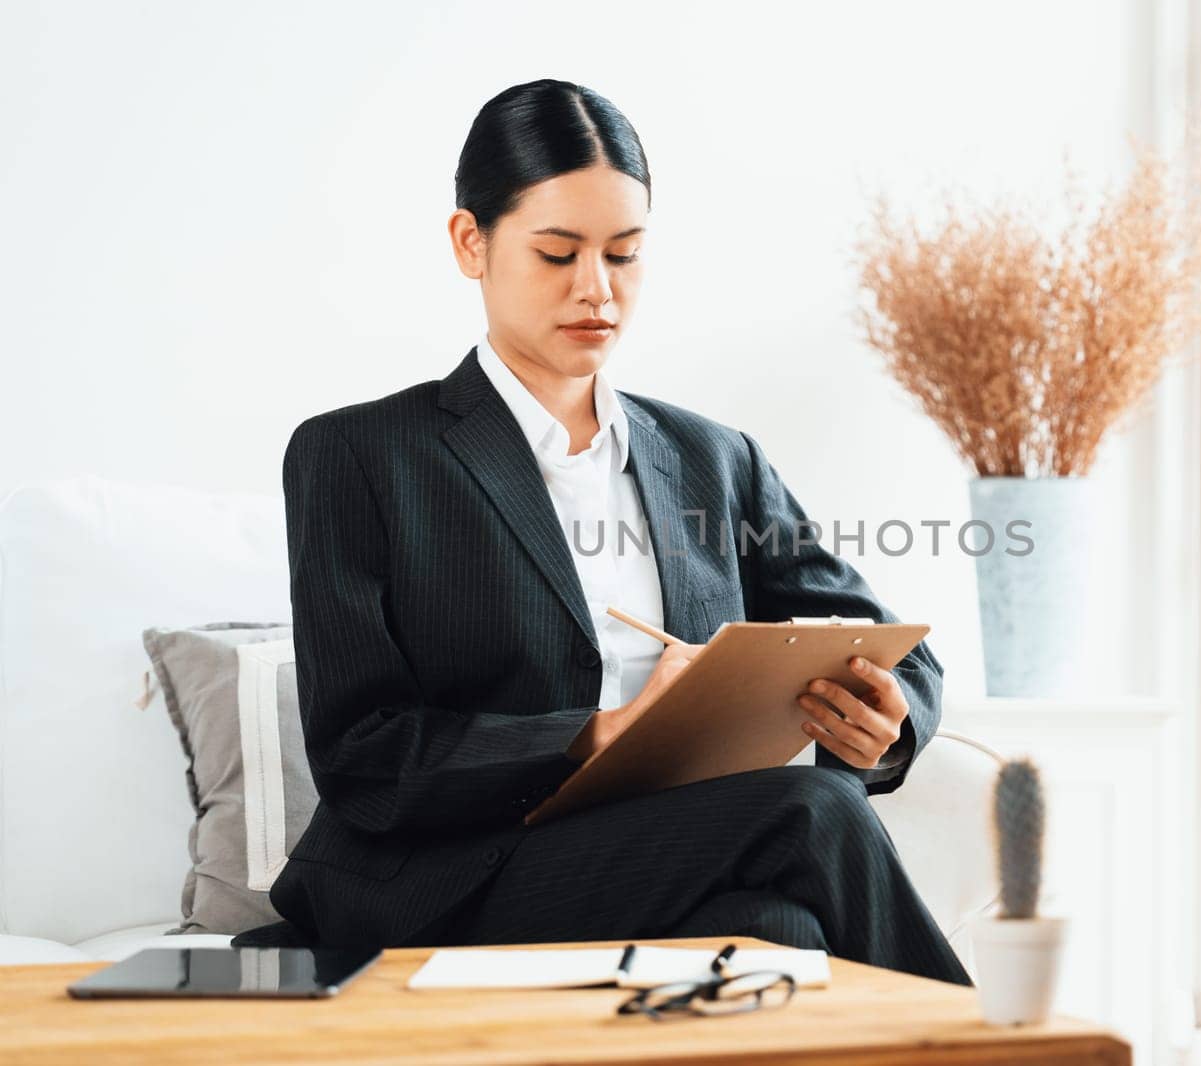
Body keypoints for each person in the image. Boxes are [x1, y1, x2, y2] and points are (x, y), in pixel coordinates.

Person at [232, 77, 971, 987]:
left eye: (624, 254)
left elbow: (898, 652)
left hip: (665, 854)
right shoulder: (359, 455)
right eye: (557, 253)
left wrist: (883, 723)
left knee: (774, 927)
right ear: (472, 242)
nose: (597, 289)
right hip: (452, 878)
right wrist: (595, 737)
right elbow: (362, 758)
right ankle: (997, 1046)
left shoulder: (712, 458)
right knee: (811, 812)